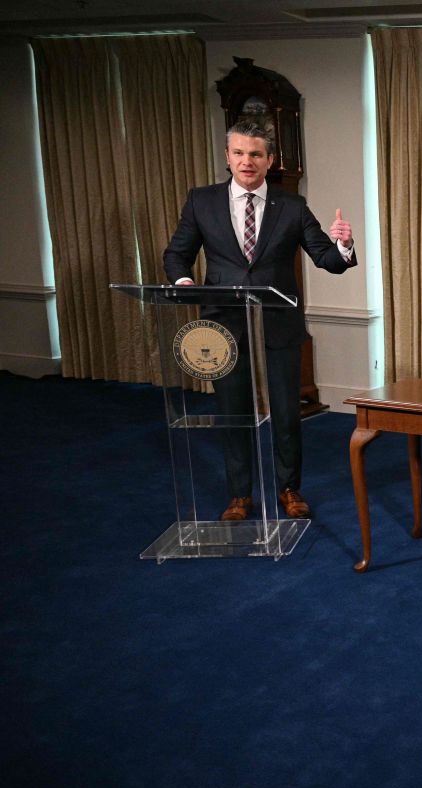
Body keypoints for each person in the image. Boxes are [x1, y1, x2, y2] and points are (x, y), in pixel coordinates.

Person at [163, 120, 357, 521]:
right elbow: (176, 253)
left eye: (255, 154)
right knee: (234, 411)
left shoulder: (293, 206)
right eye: (238, 153)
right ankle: (239, 495)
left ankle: (289, 489)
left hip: (278, 325)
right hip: (223, 325)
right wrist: (184, 281)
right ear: (228, 157)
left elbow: (328, 260)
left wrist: (344, 244)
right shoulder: (202, 201)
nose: (246, 161)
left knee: (286, 413)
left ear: (269, 161)